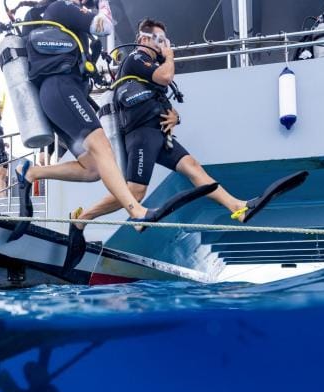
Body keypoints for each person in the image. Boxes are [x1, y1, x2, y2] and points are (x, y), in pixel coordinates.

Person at [62, 18, 309, 272]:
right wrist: (170, 57)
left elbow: (160, 97)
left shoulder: (150, 67)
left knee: (191, 166)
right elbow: (166, 76)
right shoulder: (136, 58)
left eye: (165, 42)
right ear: (144, 39)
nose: (164, 45)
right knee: (135, 194)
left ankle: (237, 208)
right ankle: (82, 219)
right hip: (141, 134)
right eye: (160, 40)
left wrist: (175, 116)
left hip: (159, 133)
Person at [8, 0, 216, 242]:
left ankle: (31, 173)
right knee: (102, 147)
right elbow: (104, 26)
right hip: (61, 88)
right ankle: (137, 212)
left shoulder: (51, 14)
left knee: (93, 169)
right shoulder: (60, 8)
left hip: (58, 94)